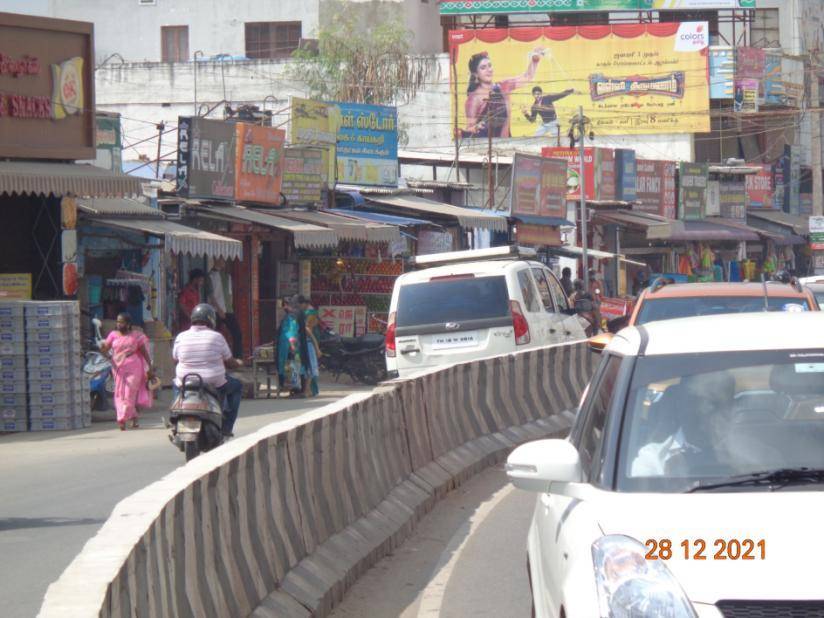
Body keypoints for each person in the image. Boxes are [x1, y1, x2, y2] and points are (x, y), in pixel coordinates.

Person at [173, 303, 243, 437]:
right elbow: (230, 362)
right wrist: (239, 363)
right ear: (211, 320)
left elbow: (175, 359)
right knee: (237, 387)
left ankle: (176, 413)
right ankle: (226, 427)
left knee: (176, 383)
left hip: (185, 381)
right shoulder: (217, 337)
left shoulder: (181, 337)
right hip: (214, 382)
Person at [463, 48, 544, 138]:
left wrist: (534, 60)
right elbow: (469, 129)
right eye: (483, 68)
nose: (489, 70)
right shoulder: (474, 98)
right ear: (475, 74)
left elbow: (528, 76)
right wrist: (477, 127)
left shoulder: (504, 86)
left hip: (507, 141)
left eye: (490, 65)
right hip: (487, 145)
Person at [99, 313, 154, 430]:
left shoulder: (136, 336)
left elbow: (144, 352)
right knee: (119, 393)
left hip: (134, 367)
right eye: (118, 322)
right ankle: (133, 417)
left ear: (128, 324)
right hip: (118, 368)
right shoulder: (113, 335)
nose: (119, 324)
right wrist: (105, 351)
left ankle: (122, 418)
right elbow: (105, 349)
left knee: (129, 393)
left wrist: (150, 366)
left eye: (121, 322)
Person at [206, 258, 243, 358]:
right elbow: (211, 295)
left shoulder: (227, 277)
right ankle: (212, 358)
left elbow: (230, 294)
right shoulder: (210, 276)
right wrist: (219, 309)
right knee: (213, 336)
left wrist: (230, 307)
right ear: (216, 259)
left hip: (228, 310)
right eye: (222, 259)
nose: (224, 262)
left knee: (237, 334)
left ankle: (237, 359)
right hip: (215, 311)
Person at [277, 297, 311, 398]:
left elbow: (291, 331)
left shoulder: (293, 315)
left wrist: (292, 344)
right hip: (299, 345)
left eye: (285, 305)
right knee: (300, 366)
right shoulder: (298, 313)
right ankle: (300, 390)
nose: (284, 307)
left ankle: (299, 390)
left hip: (295, 347)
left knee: (295, 367)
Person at [299, 295, 321, 397]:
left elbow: (307, 329)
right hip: (307, 342)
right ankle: (309, 390)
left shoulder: (310, 313)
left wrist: (316, 348)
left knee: (310, 368)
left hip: (309, 343)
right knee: (309, 367)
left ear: (305, 304)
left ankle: (307, 390)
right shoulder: (309, 313)